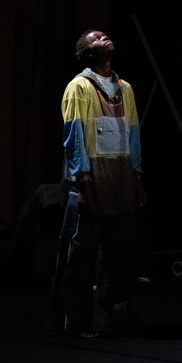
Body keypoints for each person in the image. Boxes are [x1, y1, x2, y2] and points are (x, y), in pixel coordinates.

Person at [56, 29, 146, 338]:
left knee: (120, 256)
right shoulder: (78, 87)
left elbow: (133, 133)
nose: (104, 36)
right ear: (87, 52)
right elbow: (74, 135)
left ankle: (117, 312)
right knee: (81, 258)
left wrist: (136, 176)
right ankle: (78, 320)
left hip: (119, 182)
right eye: (96, 37)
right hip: (90, 183)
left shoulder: (126, 89)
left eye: (105, 34)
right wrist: (82, 178)